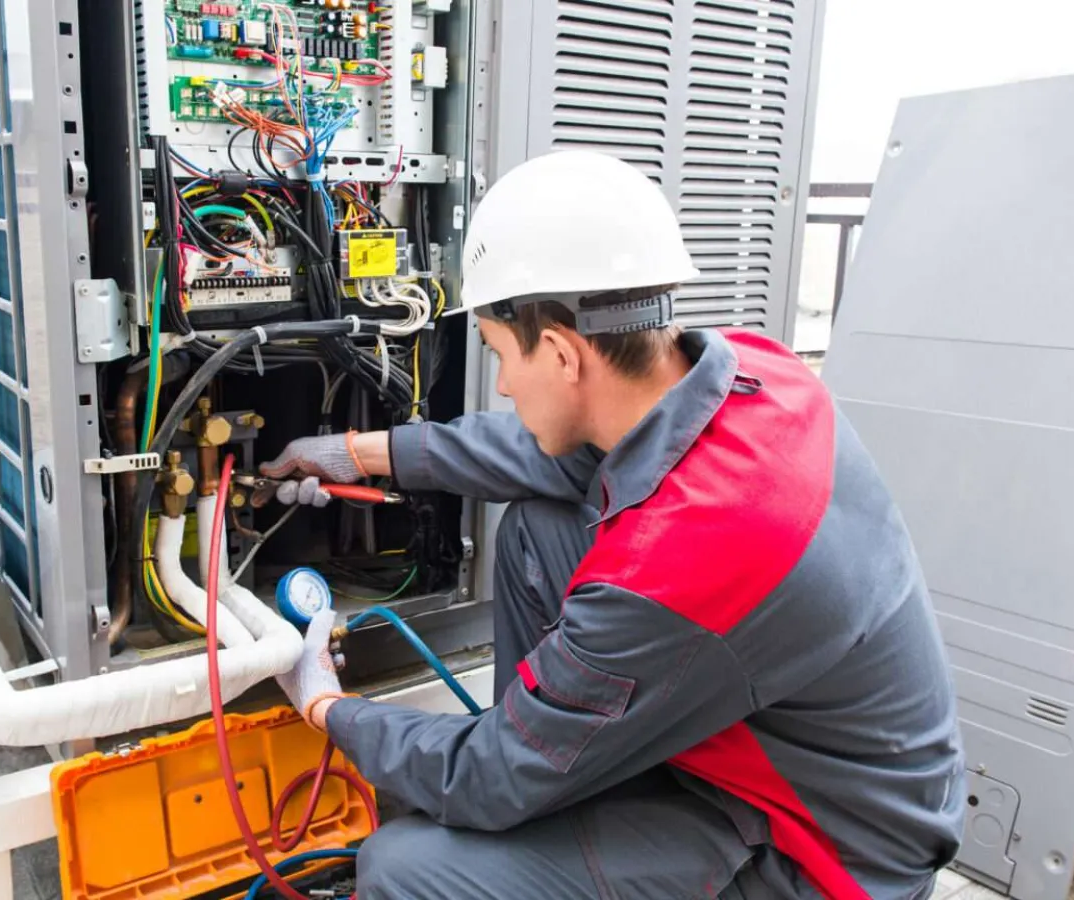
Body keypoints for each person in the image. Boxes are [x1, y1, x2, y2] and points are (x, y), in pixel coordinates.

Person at [264, 150, 965, 899]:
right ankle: (560, 767)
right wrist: (357, 453)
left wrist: (327, 706)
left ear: (564, 353)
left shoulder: (684, 557)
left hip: (820, 854)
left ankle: (547, 763)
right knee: (539, 529)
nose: (501, 382)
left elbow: (484, 774)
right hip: (807, 756)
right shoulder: (753, 373)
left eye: (502, 355)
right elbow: (549, 458)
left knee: (405, 867)